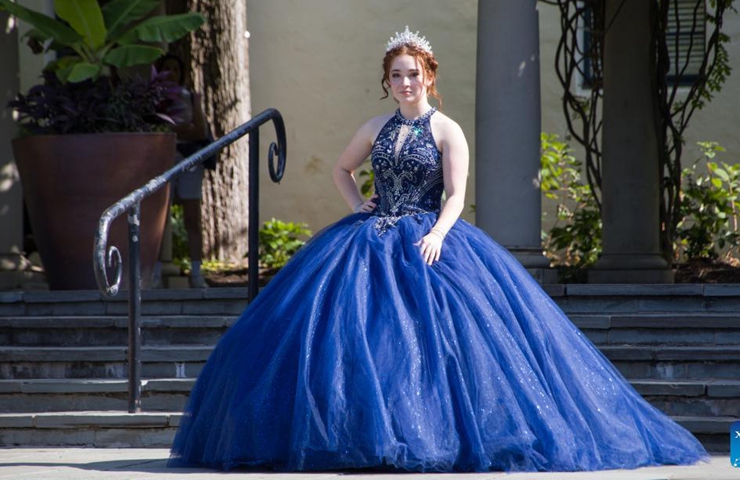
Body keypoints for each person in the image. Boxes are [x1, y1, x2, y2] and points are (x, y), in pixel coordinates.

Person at [168, 27, 708, 472]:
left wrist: (437, 234)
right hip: (369, 234)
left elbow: (456, 195)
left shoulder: (447, 130)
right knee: (347, 334)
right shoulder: (375, 125)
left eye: (413, 73)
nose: (405, 82)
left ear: (429, 76)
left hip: (429, 237)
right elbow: (341, 168)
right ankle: (354, 435)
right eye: (396, 75)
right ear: (387, 81)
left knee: (431, 343)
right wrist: (357, 203)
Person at [153, 54, 209, 289]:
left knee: (192, 217)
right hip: (164, 160)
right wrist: (179, 130)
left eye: (176, 69)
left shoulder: (189, 96)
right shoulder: (155, 98)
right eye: (167, 69)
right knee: (157, 218)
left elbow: (200, 132)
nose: (172, 74)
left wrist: (182, 128)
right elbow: (160, 129)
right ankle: (154, 272)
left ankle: (196, 272)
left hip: (189, 161)